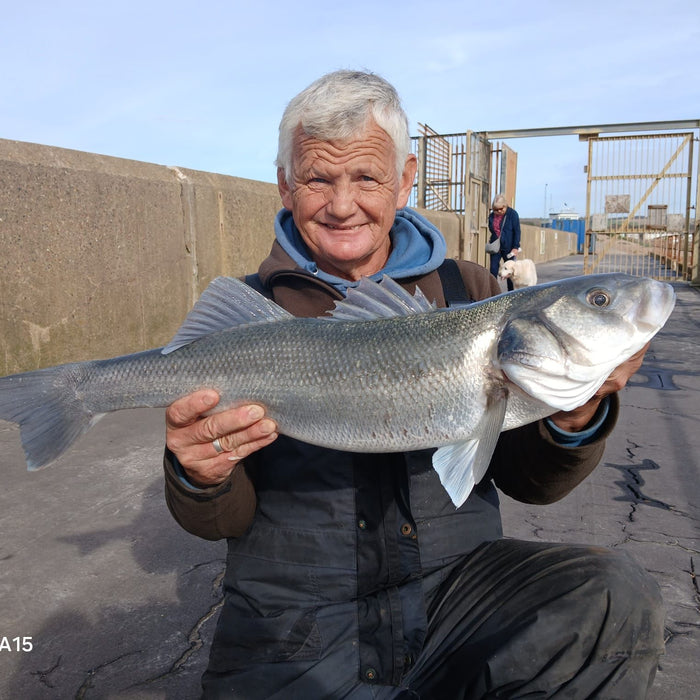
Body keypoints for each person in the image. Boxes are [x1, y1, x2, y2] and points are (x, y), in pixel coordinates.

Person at [163, 70, 664, 699]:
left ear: (404, 181)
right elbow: (217, 522)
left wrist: (573, 417)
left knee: (613, 598)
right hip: (294, 623)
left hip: (460, 597)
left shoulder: (473, 294)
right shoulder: (251, 313)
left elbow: (530, 484)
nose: (342, 205)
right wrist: (199, 475)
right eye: (318, 178)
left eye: (367, 178)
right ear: (286, 186)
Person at [487, 194, 521, 290]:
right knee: (493, 270)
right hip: (496, 247)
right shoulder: (491, 216)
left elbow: (517, 231)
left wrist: (515, 246)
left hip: (509, 247)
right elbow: (492, 229)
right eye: (495, 209)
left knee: (509, 272)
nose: (498, 211)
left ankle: (510, 293)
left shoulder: (512, 214)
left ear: (505, 206)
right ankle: (493, 292)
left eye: (500, 209)